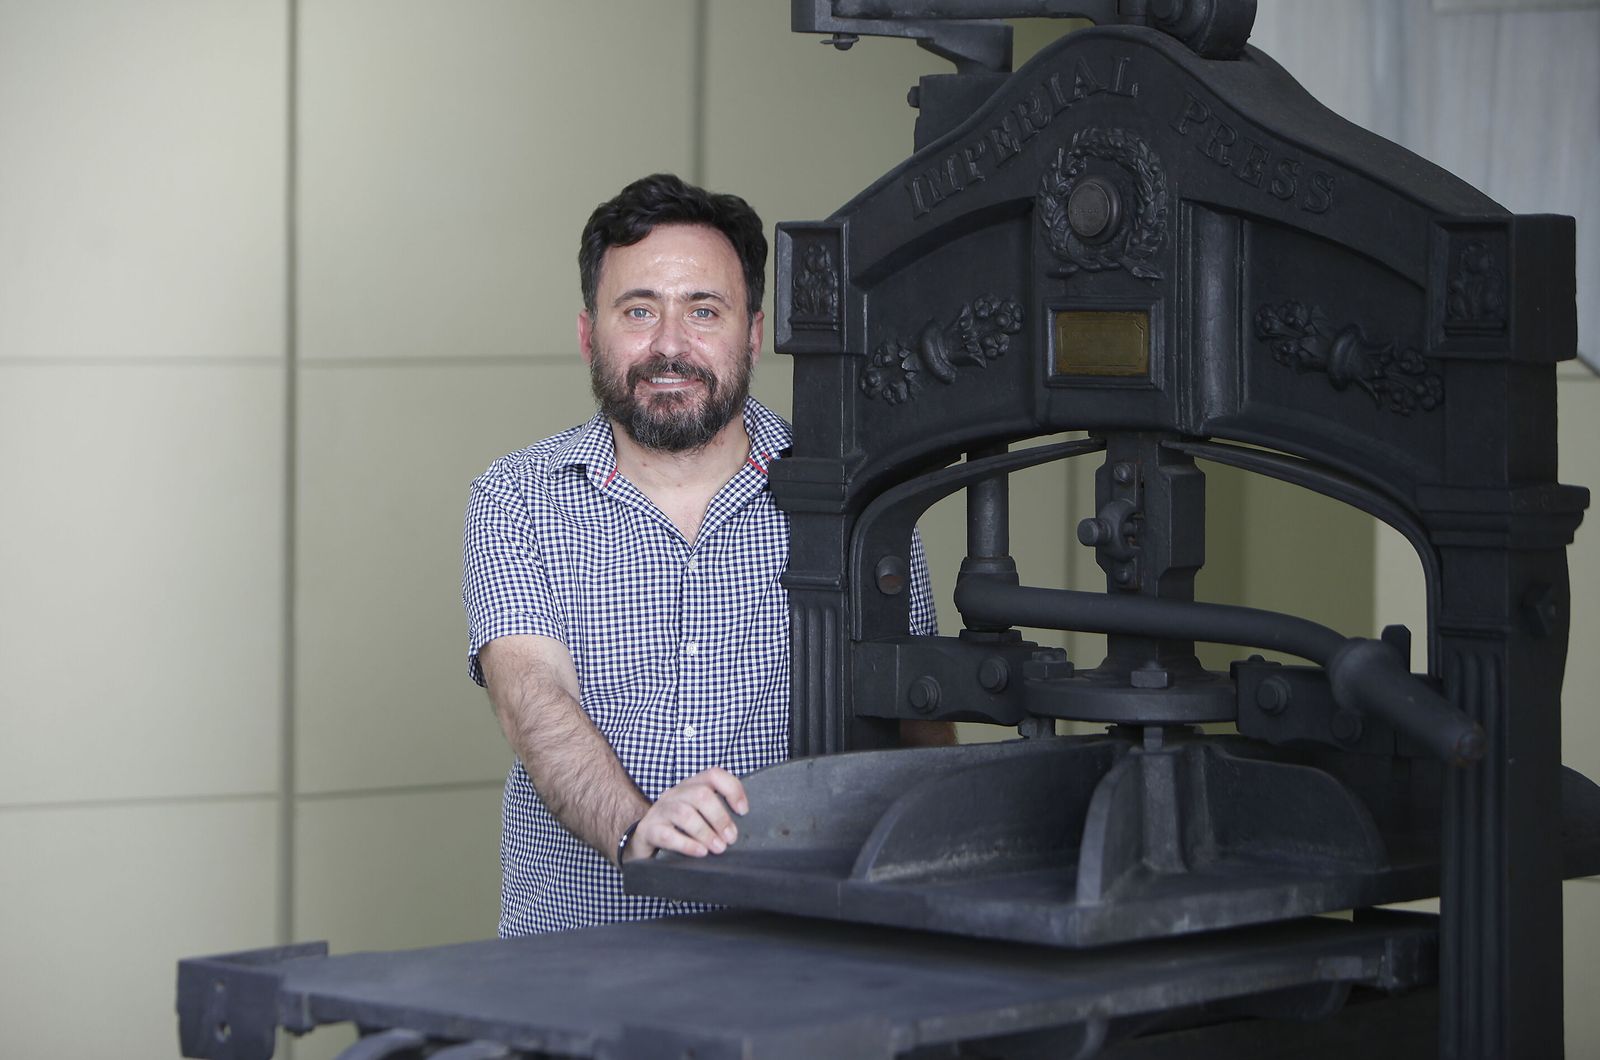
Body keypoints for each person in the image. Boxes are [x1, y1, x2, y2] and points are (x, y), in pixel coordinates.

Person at [462, 173, 942, 936]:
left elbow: (919, 734)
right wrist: (637, 830)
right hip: (574, 957)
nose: (670, 347)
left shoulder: (856, 502)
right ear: (590, 332)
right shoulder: (519, 498)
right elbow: (531, 699)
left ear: (753, 333)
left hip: (800, 951)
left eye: (703, 311)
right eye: (639, 310)